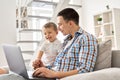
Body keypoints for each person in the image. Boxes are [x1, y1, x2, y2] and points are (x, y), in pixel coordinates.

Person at [32, 8, 98, 79]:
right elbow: (58, 66)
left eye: (60, 24)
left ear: (70, 23)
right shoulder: (66, 41)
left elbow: (84, 69)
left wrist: (54, 74)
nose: (58, 28)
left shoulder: (86, 38)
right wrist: (44, 67)